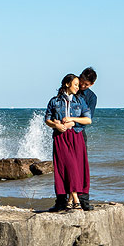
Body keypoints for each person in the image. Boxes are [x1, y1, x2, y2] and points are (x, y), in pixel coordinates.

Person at [44, 73, 91, 211]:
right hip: (60, 137)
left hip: (76, 136)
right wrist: (56, 125)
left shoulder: (80, 101)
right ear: (66, 84)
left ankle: (71, 199)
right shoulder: (54, 101)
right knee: (65, 167)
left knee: (76, 168)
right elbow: (47, 120)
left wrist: (72, 119)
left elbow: (88, 120)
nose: (78, 87)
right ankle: (75, 199)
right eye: (75, 84)